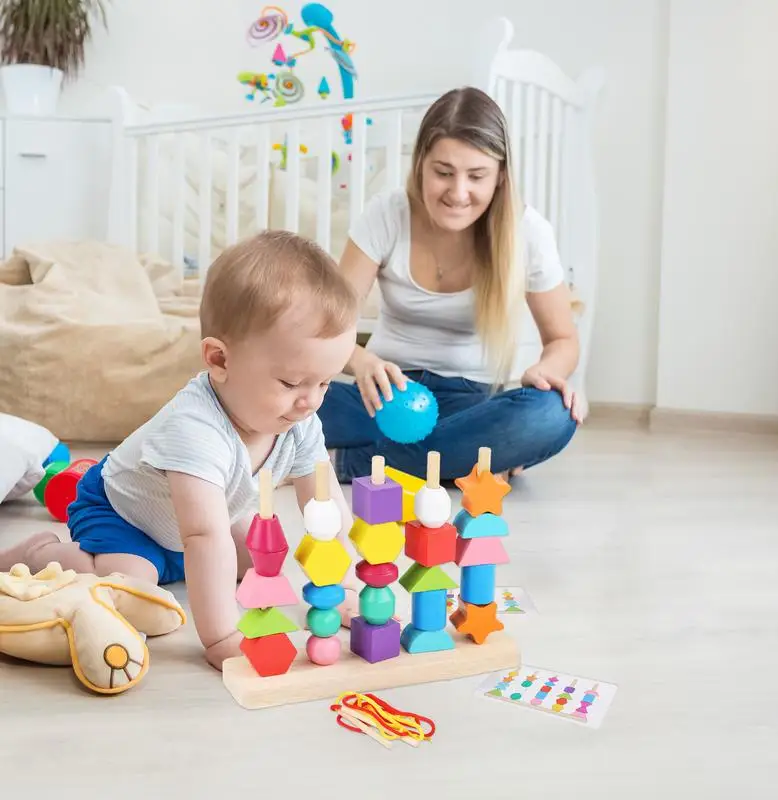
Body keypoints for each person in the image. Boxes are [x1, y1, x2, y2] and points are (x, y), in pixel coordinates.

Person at [0, 231, 360, 671]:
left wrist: (343, 588)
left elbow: (326, 510)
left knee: (263, 554)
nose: (311, 401)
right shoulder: (195, 429)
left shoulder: (299, 419)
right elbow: (203, 538)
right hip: (123, 515)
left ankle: (176, 567)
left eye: (324, 382)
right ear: (220, 360)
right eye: (290, 383)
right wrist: (222, 635)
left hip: (194, 522)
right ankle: (41, 553)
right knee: (132, 586)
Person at [318, 86, 582, 483]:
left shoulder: (529, 232)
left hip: (471, 404)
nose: (458, 193)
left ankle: (348, 465)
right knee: (278, 396)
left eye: (476, 176)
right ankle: (459, 460)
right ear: (420, 163)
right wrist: (361, 360)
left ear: (500, 177)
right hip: (384, 397)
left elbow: (563, 340)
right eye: (443, 173)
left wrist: (545, 371)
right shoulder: (387, 215)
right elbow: (328, 324)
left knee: (551, 414)